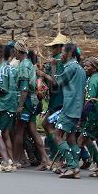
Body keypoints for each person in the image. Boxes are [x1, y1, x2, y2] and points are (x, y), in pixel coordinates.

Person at [13, 39, 50, 170]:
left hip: (26, 101)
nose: (14, 54)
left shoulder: (23, 65)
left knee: (19, 131)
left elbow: (24, 88)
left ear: (17, 51)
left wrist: (20, 105)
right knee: (33, 131)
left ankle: (15, 161)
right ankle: (45, 159)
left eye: (15, 51)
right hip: (33, 101)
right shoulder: (30, 63)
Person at [51, 44, 86, 179]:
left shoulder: (70, 67)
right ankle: (75, 167)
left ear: (69, 54)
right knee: (71, 139)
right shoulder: (80, 69)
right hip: (77, 108)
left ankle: (71, 166)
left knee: (57, 136)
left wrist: (54, 66)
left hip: (69, 107)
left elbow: (56, 84)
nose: (61, 55)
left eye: (62, 52)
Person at [36, 32, 67, 171]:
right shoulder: (55, 59)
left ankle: (60, 158)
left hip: (60, 99)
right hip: (55, 99)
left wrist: (43, 75)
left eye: (54, 47)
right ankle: (54, 156)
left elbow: (56, 82)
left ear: (60, 48)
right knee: (46, 124)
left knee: (52, 127)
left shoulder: (59, 62)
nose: (51, 50)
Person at [0, 45, 18, 160]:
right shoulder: (14, 69)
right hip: (13, 105)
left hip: (4, 105)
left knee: (3, 133)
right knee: (6, 133)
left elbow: (3, 88)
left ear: (0, 54)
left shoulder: (1, 70)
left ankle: (9, 160)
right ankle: (10, 159)